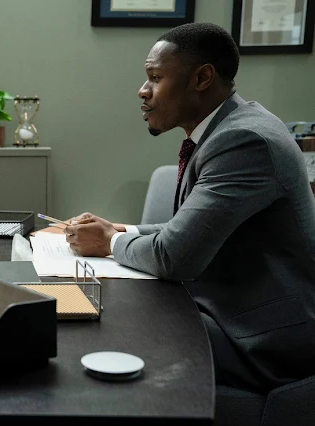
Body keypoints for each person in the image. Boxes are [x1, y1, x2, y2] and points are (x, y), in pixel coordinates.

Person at [64, 22, 315, 394]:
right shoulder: (228, 128)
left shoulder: (244, 141)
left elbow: (174, 256)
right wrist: (121, 231)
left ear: (202, 78)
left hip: (265, 340)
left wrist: (109, 243)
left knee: (107, 328)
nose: (142, 90)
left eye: (155, 78)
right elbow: (188, 228)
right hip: (233, 311)